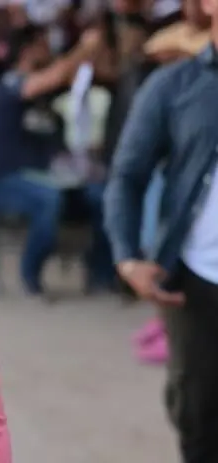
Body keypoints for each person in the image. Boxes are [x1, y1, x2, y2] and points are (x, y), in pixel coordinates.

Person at [103, 0, 218, 458]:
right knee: (200, 422)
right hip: (198, 285)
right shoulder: (174, 86)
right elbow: (128, 175)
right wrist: (128, 257)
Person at [0, 24, 113, 295]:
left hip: (52, 178)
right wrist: (85, 48)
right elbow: (54, 76)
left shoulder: (48, 99)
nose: (50, 50)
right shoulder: (8, 85)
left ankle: (100, 275)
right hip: (9, 181)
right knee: (49, 199)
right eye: (43, 44)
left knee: (102, 196)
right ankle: (30, 275)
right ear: (28, 50)